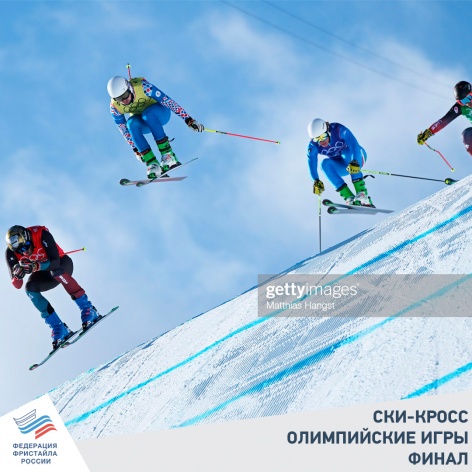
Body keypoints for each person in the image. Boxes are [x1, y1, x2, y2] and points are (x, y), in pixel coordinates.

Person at [5, 225, 99, 350]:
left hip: (61, 264)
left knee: (56, 271)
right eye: (20, 251)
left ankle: (88, 309)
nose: (25, 252)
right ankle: (58, 328)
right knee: (29, 289)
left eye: (26, 246)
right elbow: (17, 285)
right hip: (43, 274)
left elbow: (55, 262)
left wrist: (35, 266)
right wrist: (17, 275)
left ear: (28, 238)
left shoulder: (41, 234)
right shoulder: (10, 252)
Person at [107, 75, 205, 179]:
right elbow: (123, 130)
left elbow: (168, 101)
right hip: (144, 123)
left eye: (125, 95)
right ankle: (153, 164)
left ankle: (169, 156)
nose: (124, 100)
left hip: (160, 114)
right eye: (119, 98)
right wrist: (135, 149)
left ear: (129, 88)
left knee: (148, 114)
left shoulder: (144, 87)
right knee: (131, 124)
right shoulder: (115, 107)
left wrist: (188, 120)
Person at [307, 118, 374, 207]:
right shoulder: (313, 146)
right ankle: (349, 197)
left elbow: (354, 146)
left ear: (328, 131)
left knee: (346, 152)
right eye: (317, 139)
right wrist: (316, 181)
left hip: (358, 157)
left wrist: (355, 161)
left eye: (323, 136)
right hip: (342, 166)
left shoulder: (338, 130)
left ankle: (362, 195)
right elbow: (312, 163)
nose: (321, 141)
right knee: (324, 164)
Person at [417, 81, 472, 157]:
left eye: (469, 97)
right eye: (463, 101)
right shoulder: (460, 108)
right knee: (467, 134)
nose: (468, 103)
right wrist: (427, 133)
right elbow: (444, 121)